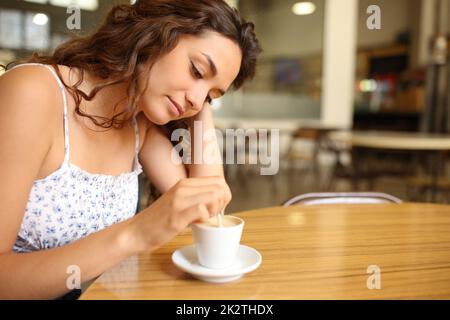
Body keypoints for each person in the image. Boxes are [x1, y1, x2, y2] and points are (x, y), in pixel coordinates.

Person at [0, 0, 261, 299]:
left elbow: (207, 204)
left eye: (212, 96)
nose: (197, 99)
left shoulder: (139, 124)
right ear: (156, 33)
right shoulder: (33, 92)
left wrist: (202, 102)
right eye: (197, 70)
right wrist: (134, 234)